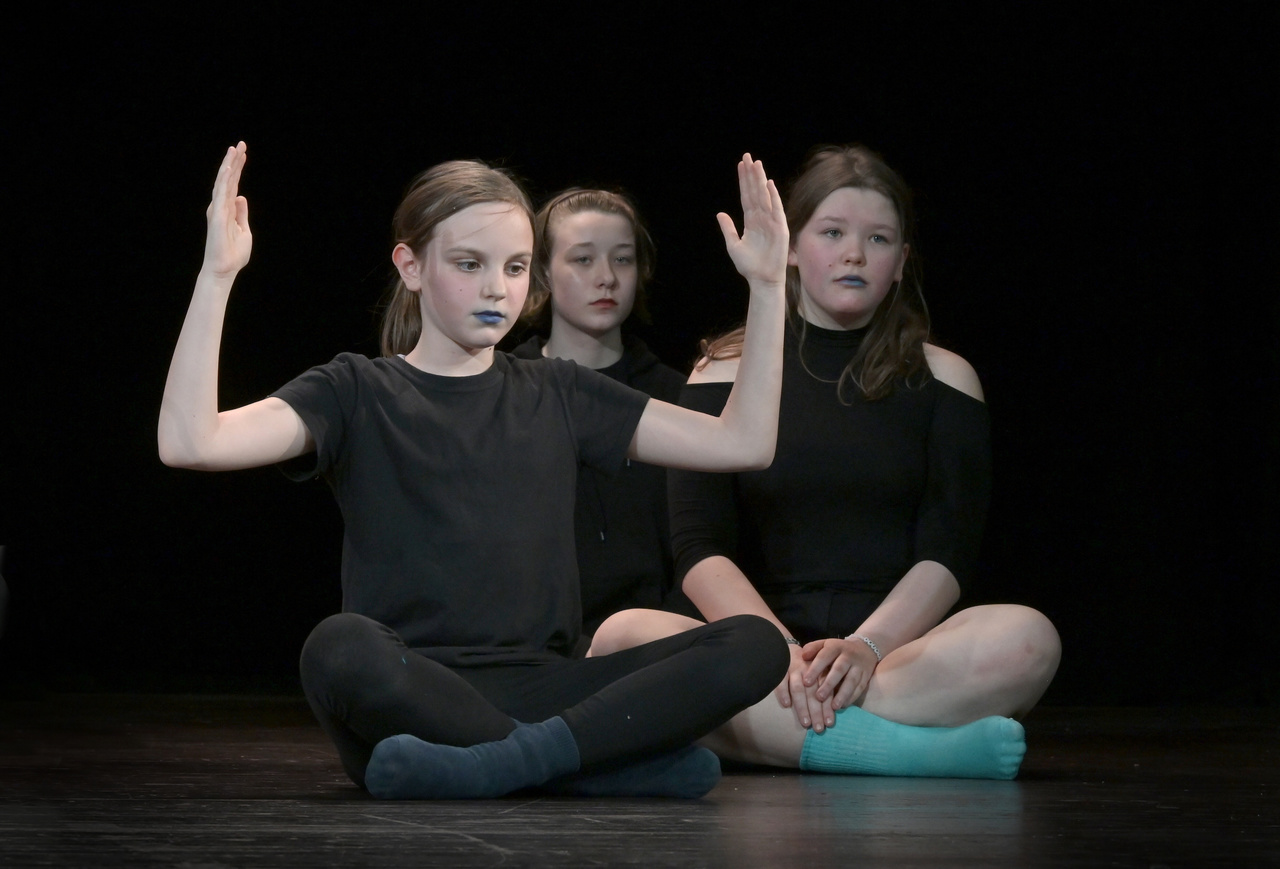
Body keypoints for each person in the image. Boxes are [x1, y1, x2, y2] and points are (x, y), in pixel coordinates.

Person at [157, 143, 793, 800]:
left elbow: (742, 443)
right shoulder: (354, 391)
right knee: (337, 647)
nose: (497, 288)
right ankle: (583, 764)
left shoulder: (560, 390)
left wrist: (770, 288)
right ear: (410, 265)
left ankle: (504, 764)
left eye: (515, 267)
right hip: (412, 691)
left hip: (546, 687)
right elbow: (189, 441)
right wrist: (216, 276)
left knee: (755, 644)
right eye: (470, 264)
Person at [589, 144, 1062, 780]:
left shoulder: (946, 380)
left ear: (901, 263)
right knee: (619, 638)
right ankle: (901, 750)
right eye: (832, 233)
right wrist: (777, 650)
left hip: (892, 653)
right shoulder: (720, 373)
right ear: (790, 248)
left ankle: (788, 732)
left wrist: (866, 649)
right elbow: (699, 548)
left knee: (1028, 638)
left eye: (878, 239)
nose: (854, 254)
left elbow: (946, 552)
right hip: (753, 645)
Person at [509, 189, 690, 641]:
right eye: (583, 260)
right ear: (542, 271)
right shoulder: (503, 392)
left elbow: (703, 542)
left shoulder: (676, 396)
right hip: (533, 648)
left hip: (659, 643)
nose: (606, 278)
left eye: (622, 259)